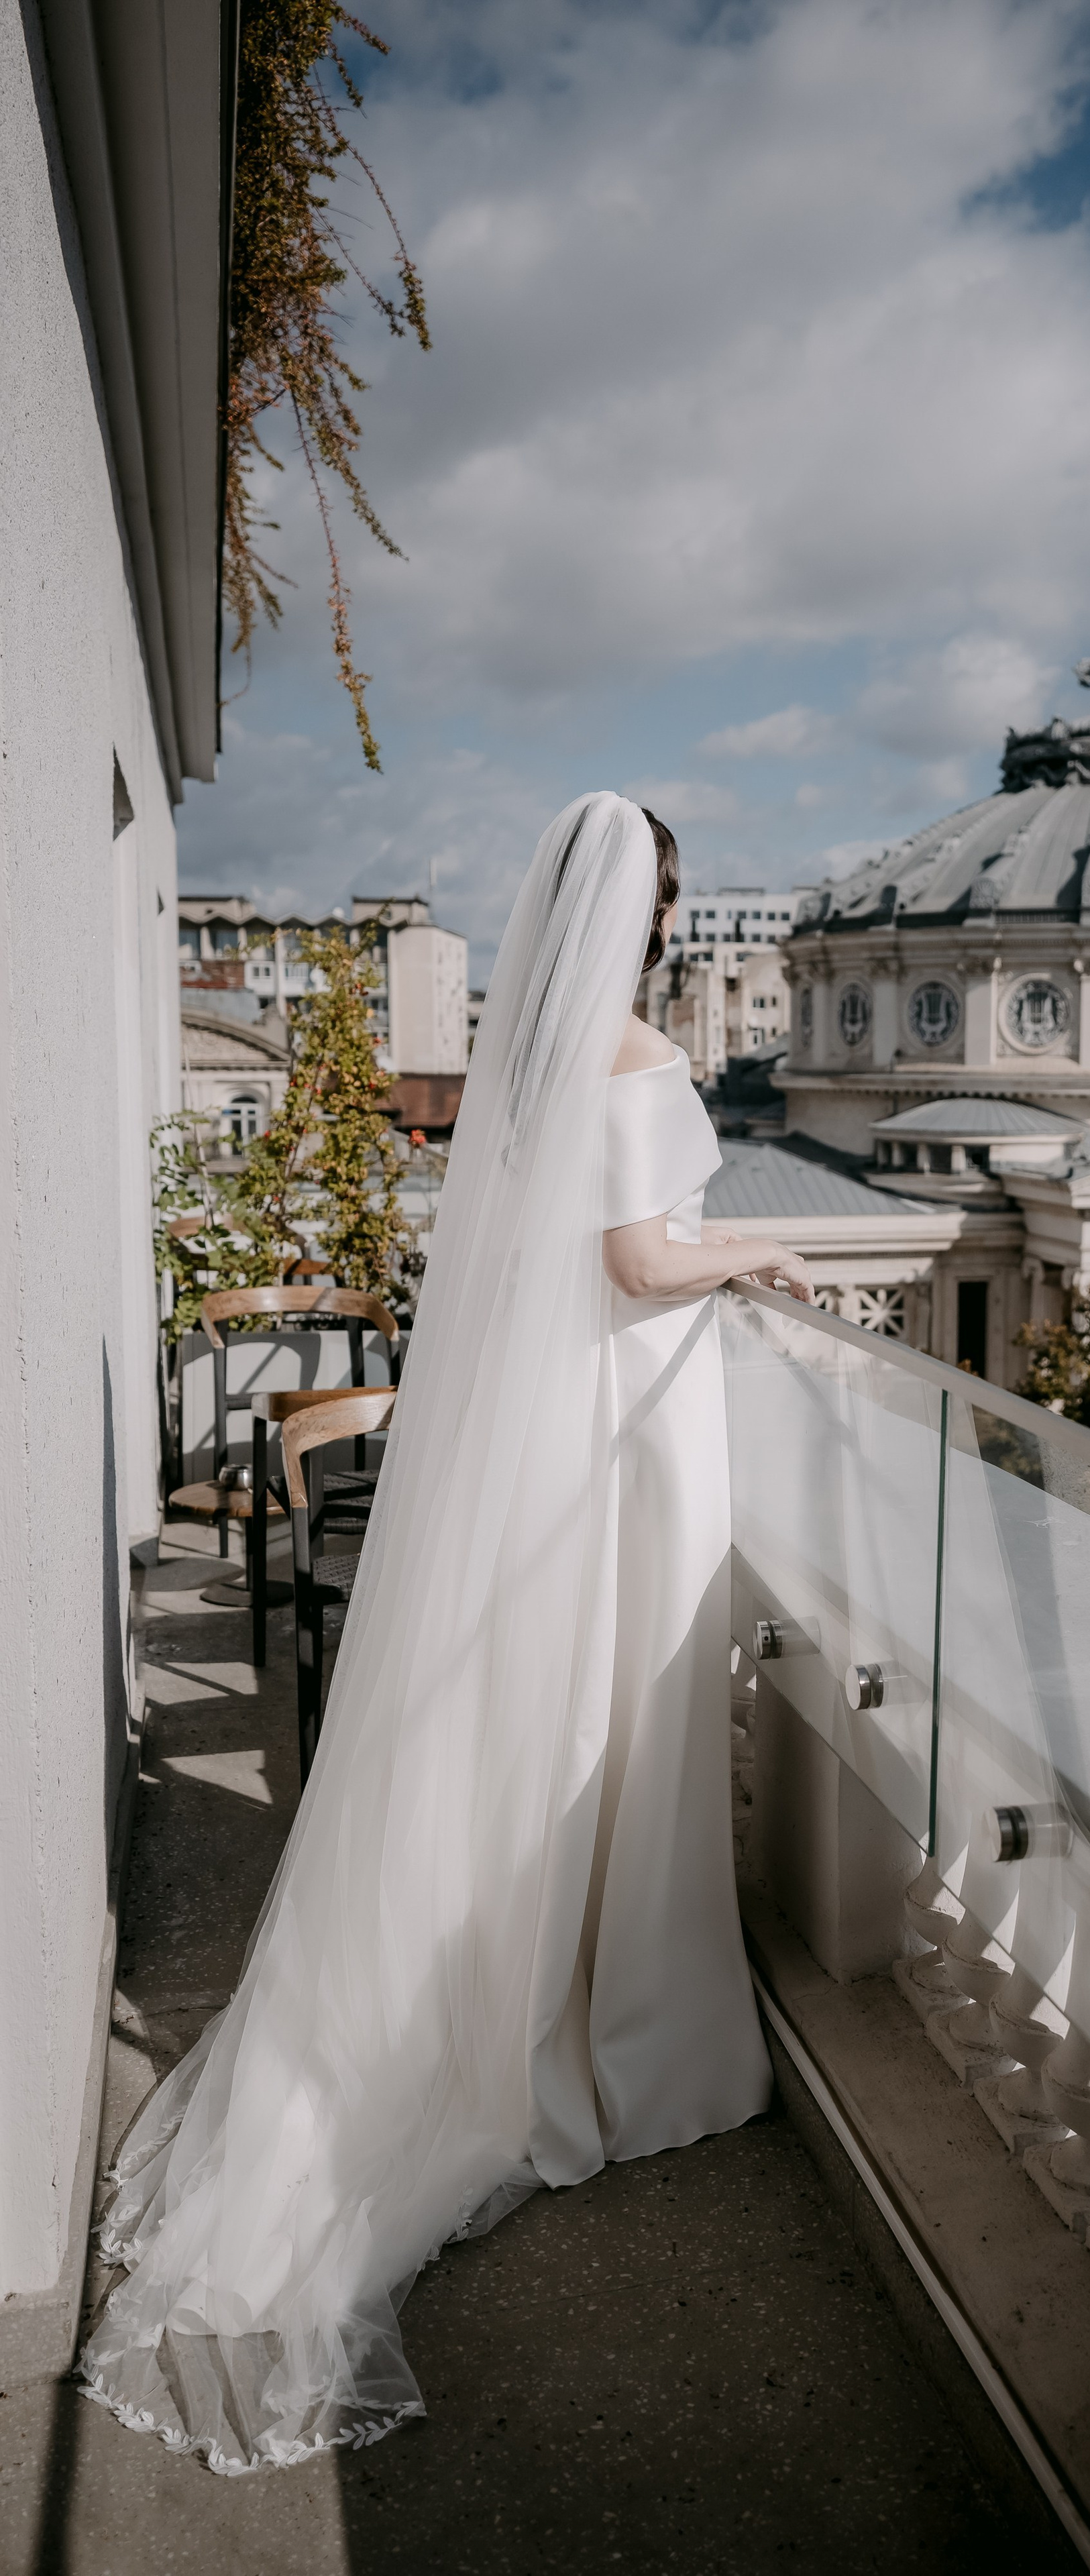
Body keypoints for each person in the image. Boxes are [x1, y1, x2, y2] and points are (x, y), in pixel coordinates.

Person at [78, 794, 812, 2474]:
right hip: (627, 1429)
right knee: (611, 1710)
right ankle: (612, 2011)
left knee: (544, 1718)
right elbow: (640, 1262)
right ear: (650, 912)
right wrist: (761, 1245)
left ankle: (529, 1986)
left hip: (565, 1428)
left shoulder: (535, 1058)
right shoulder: (629, 1056)